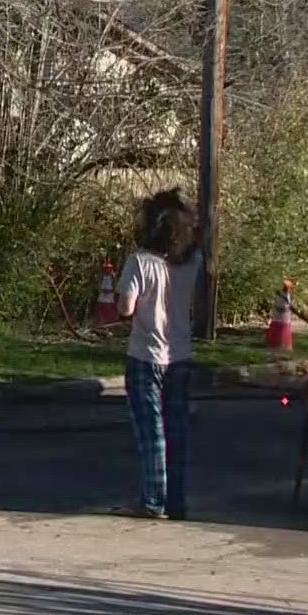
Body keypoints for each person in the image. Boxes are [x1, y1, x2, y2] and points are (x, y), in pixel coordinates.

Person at [114, 188, 201, 521]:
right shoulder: (193, 261)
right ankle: (176, 499)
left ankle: (153, 500)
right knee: (177, 429)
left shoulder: (139, 261)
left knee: (151, 429)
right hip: (179, 354)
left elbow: (125, 307)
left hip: (145, 354)